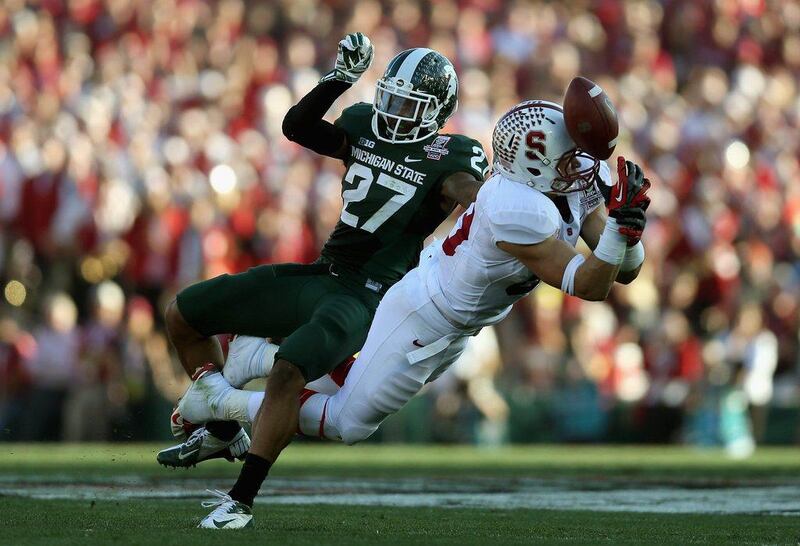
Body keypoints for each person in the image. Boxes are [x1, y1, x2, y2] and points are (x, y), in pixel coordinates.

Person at [167, 97, 651, 529]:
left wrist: (627, 231)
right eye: (569, 160)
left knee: (338, 394)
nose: (581, 169)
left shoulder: (570, 180)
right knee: (347, 424)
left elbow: (623, 272)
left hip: (459, 326)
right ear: (536, 165)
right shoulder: (515, 206)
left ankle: (255, 361)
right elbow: (590, 284)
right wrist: (620, 233)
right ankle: (218, 404)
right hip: (424, 311)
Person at [157, 33, 489, 527]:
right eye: (391, 98)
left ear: (436, 112)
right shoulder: (362, 126)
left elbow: (477, 201)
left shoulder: (452, 156)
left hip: (367, 293)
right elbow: (297, 126)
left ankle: (240, 499)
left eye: (409, 104)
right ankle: (224, 426)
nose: (395, 112)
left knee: (290, 369)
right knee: (184, 314)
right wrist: (339, 79)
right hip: (323, 272)